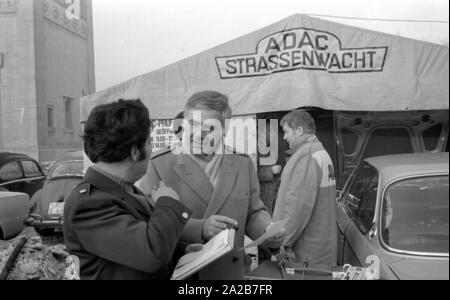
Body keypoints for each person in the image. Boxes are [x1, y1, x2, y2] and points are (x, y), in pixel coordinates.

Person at [137, 91, 283, 280]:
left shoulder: (242, 163)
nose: (198, 134)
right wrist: (200, 228)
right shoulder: (159, 164)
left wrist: (267, 230)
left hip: (230, 273)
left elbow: (253, 213)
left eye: (208, 128)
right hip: (182, 274)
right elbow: (146, 223)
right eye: (193, 124)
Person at [64, 99, 193, 280]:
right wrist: (168, 203)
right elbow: (151, 252)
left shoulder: (123, 189)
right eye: (149, 143)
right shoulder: (89, 203)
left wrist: (183, 252)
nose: (151, 150)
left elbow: (131, 246)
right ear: (135, 151)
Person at [272, 110, 338, 267]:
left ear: (300, 131)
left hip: (306, 252)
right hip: (321, 248)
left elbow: (298, 206)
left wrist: (282, 242)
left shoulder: (307, 156)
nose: (284, 137)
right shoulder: (320, 152)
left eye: (287, 131)